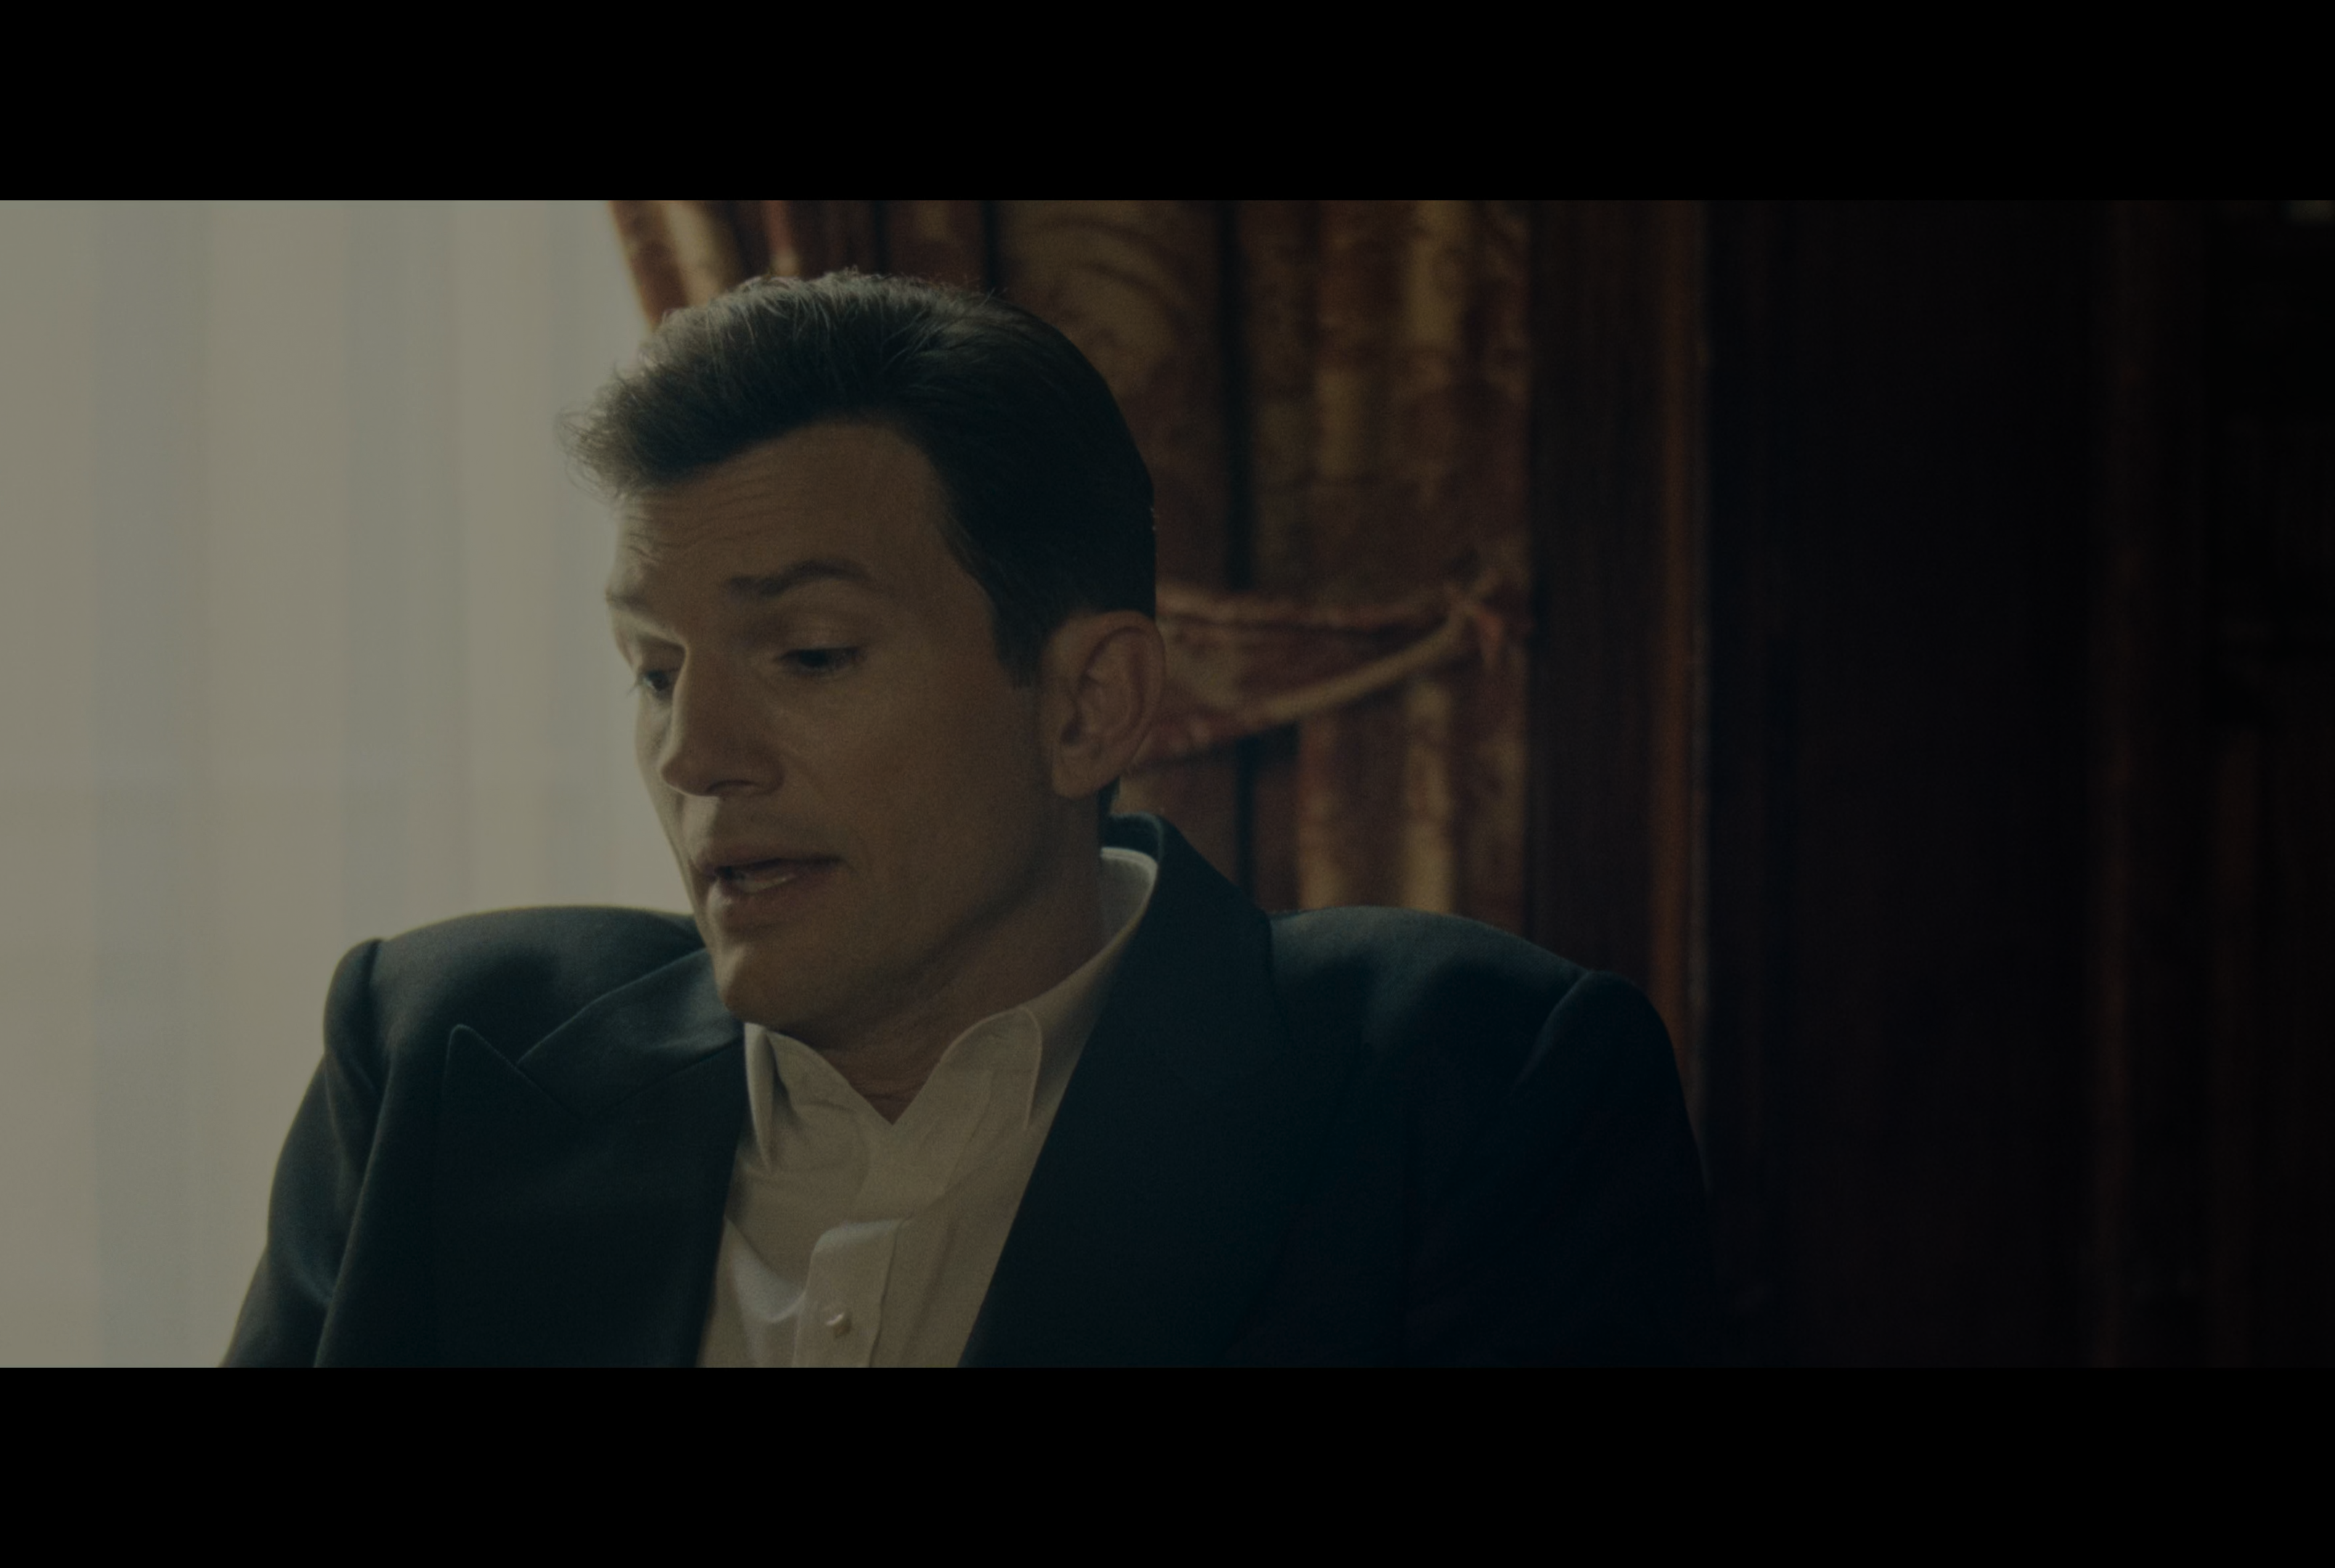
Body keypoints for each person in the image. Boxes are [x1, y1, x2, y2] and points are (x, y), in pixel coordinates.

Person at [224, 274, 1711, 1366]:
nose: (694, 756)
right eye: (654, 671)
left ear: (1089, 705)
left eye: (810, 655)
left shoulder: (1469, 1086)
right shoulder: (438, 1056)